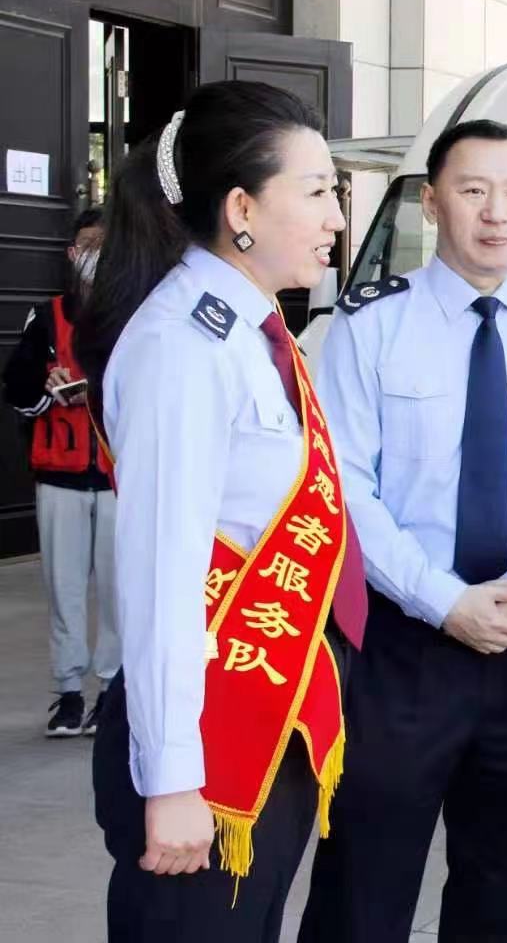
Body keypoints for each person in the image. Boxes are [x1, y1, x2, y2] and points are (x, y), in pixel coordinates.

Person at [298, 119, 507, 943]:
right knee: (363, 884)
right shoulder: (372, 326)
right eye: (474, 190)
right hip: (405, 649)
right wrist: (444, 601)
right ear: (430, 202)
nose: (496, 213)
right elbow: (346, 490)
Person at [75, 80, 365, 941]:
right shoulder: (182, 344)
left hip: (264, 714)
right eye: (316, 193)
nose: (336, 219)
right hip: (208, 743)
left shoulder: (250, 327)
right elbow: (162, 574)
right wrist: (171, 779)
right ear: (242, 209)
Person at [3, 207, 120, 737]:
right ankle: (69, 692)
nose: (93, 256)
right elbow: (17, 386)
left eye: (103, 246)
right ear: (72, 254)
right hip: (60, 476)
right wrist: (47, 387)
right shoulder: (47, 317)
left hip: (118, 478)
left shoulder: (134, 315)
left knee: (119, 592)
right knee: (64, 590)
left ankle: (112, 689)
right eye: (86, 246)